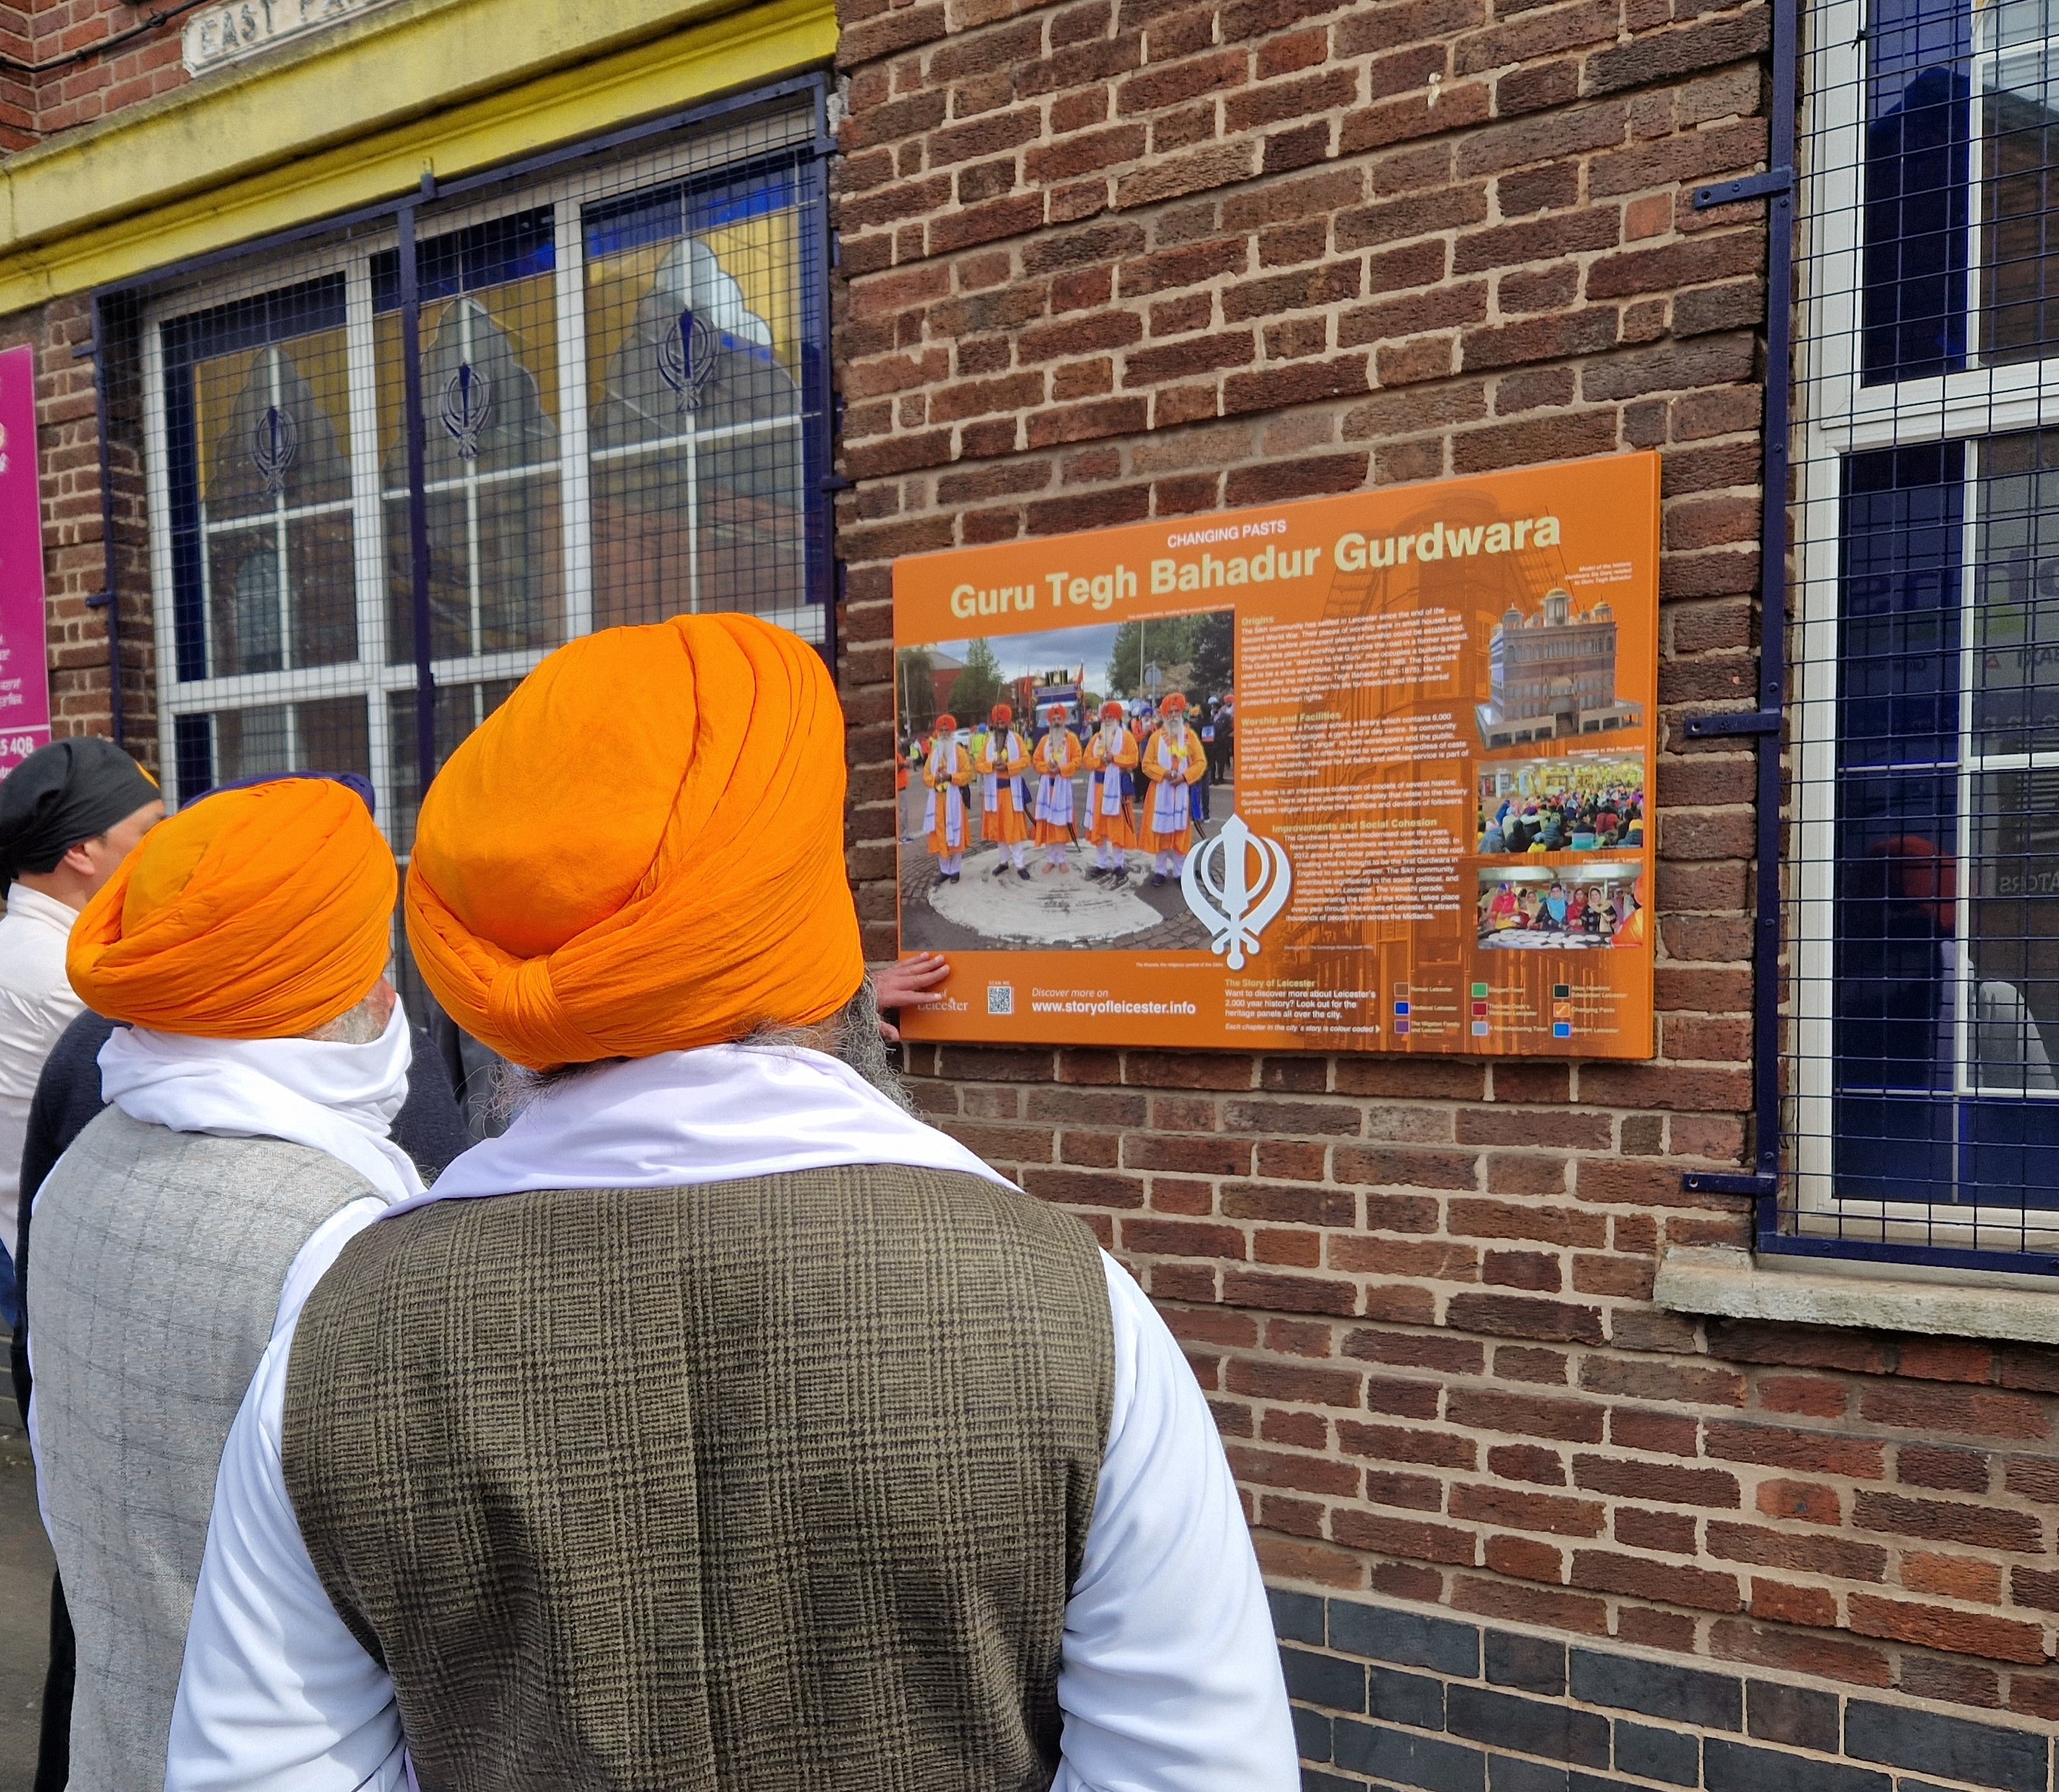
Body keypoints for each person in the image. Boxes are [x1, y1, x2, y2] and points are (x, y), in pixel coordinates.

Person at [166, 613, 1296, 1791]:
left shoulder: (335, 1344)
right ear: (803, 919)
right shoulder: (1076, 1312)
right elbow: (1200, 1770)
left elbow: (261, 1769)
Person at [26, 778, 425, 1792]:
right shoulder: (344, 1237)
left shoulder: (84, 1166)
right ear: (333, 994)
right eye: (374, 964)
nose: (389, 995)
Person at [0, 739, 164, 1311]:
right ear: (80, 851)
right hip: (50, 1269)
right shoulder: (66, 974)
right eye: (148, 832)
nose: (164, 847)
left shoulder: (24, 946)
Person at [1138, 692, 1207, 883]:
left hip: (1183, 792)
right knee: (1161, 830)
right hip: (1161, 791)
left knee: (1181, 832)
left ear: (1182, 713)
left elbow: (1200, 763)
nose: (1174, 715)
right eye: (1170, 712)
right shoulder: (1155, 738)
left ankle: (1179, 872)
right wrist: (1165, 774)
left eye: (1177, 711)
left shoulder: (1190, 736)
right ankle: (1160, 871)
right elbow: (1146, 765)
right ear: (1165, 715)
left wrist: (1185, 777)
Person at [1081, 700, 1139, 883]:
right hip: (1098, 789)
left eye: (1110, 717)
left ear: (1117, 718)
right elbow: (1086, 760)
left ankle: (1119, 865)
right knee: (1099, 827)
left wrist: (1115, 758)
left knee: (1117, 827)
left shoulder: (1127, 738)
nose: (1107, 720)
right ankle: (1101, 864)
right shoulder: (1096, 739)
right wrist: (1100, 762)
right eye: (1105, 717)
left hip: (1117, 790)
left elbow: (1134, 760)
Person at [977, 701, 1034, 879]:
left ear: (1008, 723)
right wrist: (992, 765)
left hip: (1011, 793)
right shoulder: (988, 742)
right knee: (999, 830)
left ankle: (1020, 865)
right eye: (998, 722)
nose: (1000, 725)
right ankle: (1003, 861)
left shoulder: (1016, 740)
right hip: (994, 794)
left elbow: (1026, 760)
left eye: (1003, 722)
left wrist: (1008, 766)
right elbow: (978, 764)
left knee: (1012, 831)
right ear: (994, 723)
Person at [1030, 704, 1084, 875]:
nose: (1056, 721)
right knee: (1048, 823)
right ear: (1049, 722)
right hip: (1047, 787)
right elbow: (1036, 760)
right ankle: (1050, 859)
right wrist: (1047, 767)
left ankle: (1062, 859)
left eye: (1059, 718)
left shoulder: (1072, 739)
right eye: (1053, 719)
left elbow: (1077, 760)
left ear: (1064, 720)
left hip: (1062, 786)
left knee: (1060, 823)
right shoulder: (1045, 741)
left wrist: (1061, 769)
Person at [922, 713, 971, 881]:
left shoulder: (959, 752)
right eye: (941, 730)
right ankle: (945, 870)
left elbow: (967, 774)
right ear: (937, 732)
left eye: (947, 730)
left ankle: (955, 870)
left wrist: (950, 777)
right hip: (937, 800)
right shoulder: (933, 754)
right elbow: (926, 776)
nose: (943, 733)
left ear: (952, 732)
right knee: (939, 835)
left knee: (956, 834)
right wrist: (936, 779)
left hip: (954, 800)